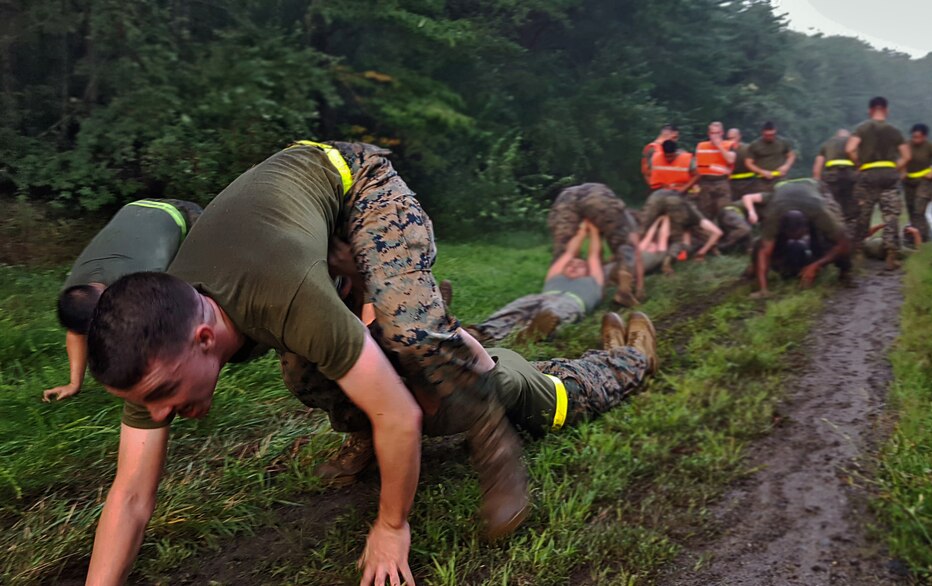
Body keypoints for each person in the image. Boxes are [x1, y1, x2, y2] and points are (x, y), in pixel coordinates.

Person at [79, 140, 530, 584]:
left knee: (409, 334)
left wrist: (391, 526)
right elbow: (132, 494)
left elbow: (400, 415)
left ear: (203, 338)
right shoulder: (152, 343)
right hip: (291, 233)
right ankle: (365, 424)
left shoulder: (281, 296)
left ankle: (491, 434)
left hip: (357, 185)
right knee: (303, 372)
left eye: (161, 395)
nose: (158, 413)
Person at [43, 198, 203, 403]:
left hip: (183, 214)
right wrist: (74, 383)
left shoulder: (139, 284)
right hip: (135, 208)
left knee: (204, 278)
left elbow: (160, 326)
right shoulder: (75, 291)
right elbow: (76, 331)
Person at [467, 220, 605, 344]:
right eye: (570, 265)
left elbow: (594, 256)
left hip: (570, 301)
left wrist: (594, 230)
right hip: (540, 297)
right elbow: (568, 253)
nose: (574, 266)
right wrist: (581, 231)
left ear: (588, 272)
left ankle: (533, 333)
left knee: (552, 312)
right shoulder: (556, 277)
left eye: (580, 266)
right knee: (516, 308)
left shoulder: (592, 282)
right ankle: (482, 333)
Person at [742, 179, 851, 298]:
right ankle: (758, 271)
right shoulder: (773, 215)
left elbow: (843, 243)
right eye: (791, 236)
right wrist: (763, 290)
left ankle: (845, 272)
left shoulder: (819, 212)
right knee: (762, 244)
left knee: (838, 236)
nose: (795, 239)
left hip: (816, 192)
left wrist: (816, 265)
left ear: (806, 228)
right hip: (782, 200)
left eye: (799, 236)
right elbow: (764, 251)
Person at [547, 183, 645, 307]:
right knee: (624, 244)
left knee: (563, 250)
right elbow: (635, 252)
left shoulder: (616, 212)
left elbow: (597, 251)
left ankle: (557, 292)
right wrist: (641, 287)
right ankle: (624, 292)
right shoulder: (629, 221)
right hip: (597, 196)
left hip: (565, 198)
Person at [845, 96, 911, 269]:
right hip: (889, 175)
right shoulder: (894, 131)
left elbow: (849, 149)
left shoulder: (862, 128)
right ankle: (891, 254)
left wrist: (859, 164)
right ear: (886, 111)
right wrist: (894, 168)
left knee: (862, 213)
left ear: (870, 110)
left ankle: (857, 254)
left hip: (868, 175)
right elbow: (907, 156)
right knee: (891, 215)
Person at [641, 189, 723, 270]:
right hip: (674, 200)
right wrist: (701, 252)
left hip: (656, 196)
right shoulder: (695, 217)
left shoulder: (695, 213)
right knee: (677, 240)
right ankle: (667, 263)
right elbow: (718, 233)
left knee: (642, 228)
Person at [813, 129, 859, 239]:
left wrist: (816, 183)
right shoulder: (853, 143)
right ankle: (852, 240)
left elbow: (817, 167)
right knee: (852, 210)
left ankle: (834, 237)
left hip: (831, 178)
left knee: (832, 208)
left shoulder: (826, 144)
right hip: (850, 178)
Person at [694, 121, 738, 220]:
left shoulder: (729, 145)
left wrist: (719, 146)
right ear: (708, 134)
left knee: (724, 212)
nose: (715, 136)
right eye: (712, 133)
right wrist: (695, 184)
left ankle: (726, 234)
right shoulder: (701, 146)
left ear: (722, 133)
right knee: (704, 213)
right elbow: (697, 166)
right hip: (705, 183)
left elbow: (730, 160)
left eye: (717, 133)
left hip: (721, 183)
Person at [744, 122, 796, 194]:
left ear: (775, 132)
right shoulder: (755, 145)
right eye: (767, 135)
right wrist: (761, 171)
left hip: (780, 178)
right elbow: (748, 163)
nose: (770, 137)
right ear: (762, 133)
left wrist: (786, 166)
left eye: (772, 135)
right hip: (761, 181)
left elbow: (791, 155)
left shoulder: (783, 142)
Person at [728, 128, 760, 200]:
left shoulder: (748, 149)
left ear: (739, 137)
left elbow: (757, 164)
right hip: (732, 185)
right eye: (729, 138)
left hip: (749, 184)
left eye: (733, 138)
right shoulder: (726, 150)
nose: (731, 141)